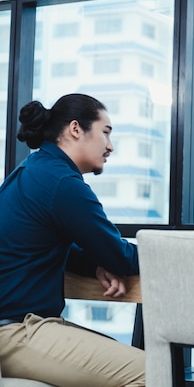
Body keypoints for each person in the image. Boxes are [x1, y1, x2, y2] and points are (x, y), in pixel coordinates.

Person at [0, 94, 145, 386]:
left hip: (18, 327)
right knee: (154, 372)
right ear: (76, 129)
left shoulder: (31, 171)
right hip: (15, 331)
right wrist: (178, 258)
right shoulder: (62, 183)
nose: (110, 146)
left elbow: (44, 247)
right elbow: (123, 258)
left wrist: (96, 266)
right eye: (105, 133)